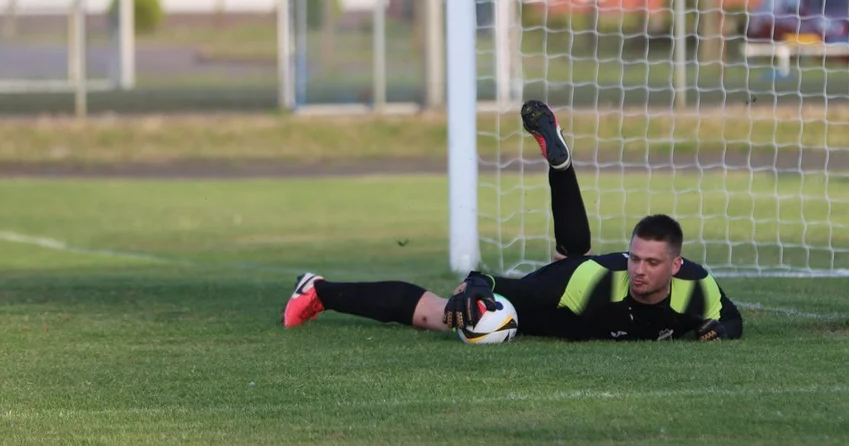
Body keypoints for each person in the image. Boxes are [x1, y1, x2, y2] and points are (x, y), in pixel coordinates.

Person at [282, 100, 743, 342]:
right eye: (636, 258)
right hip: (559, 304)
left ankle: (560, 166)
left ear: (677, 266)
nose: (639, 270)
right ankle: (317, 290)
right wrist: (478, 289)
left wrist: (721, 330)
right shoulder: (593, 283)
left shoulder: (699, 287)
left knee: (573, 252)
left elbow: (732, 319)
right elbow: (495, 282)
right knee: (441, 316)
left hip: (582, 269)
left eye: (652, 263)